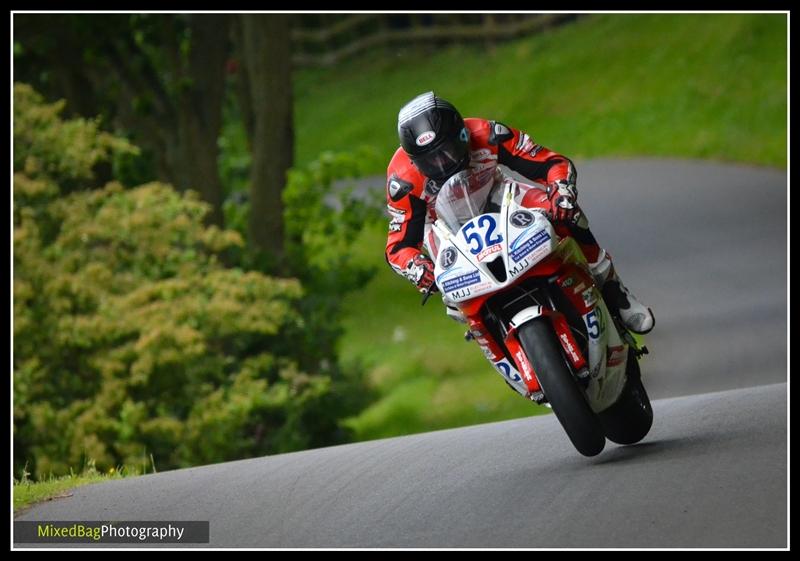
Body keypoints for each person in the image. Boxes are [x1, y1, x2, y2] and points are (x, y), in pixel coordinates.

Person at [385, 91, 655, 340]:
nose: (442, 163)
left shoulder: (488, 134)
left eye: (447, 151)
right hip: (445, 226)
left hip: (498, 196)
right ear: (413, 161)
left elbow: (551, 163)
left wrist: (561, 191)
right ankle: (482, 330)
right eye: (430, 160)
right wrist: (417, 268)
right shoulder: (403, 182)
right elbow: (398, 246)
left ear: (463, 135)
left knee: (565, 213)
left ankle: (612, 288)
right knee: (445, 283)